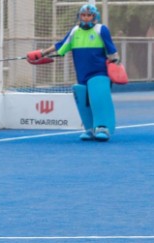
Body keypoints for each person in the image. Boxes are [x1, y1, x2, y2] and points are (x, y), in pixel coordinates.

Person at [27, 3, 120, 141]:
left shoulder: (101, 30)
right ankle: (90, 128)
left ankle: (103, 127)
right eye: (83, 15)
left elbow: (112, 50)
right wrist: (42, 53)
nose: (86, 18)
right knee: (84, 99)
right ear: (79, 16)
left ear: (95, 17)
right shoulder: (75, 31)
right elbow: (61, 46)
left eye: (89, 15)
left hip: (99, 71)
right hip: (82, 72)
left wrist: (116, 62)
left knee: (98, 97)